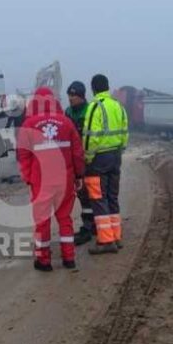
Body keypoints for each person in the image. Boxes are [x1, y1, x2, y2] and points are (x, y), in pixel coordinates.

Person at [17, 87, 85, 271]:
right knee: (64, 218)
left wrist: (28, 178)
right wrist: (79, 175)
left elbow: (23, 157)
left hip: (41, 181)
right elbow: (77, 153)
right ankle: (69, 258)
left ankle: (43, 260)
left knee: (42, 221)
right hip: (65, 179)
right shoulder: (67, 122)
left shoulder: (29, 125)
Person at [83, 74, 129, 255]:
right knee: (112, 197)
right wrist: (120, 150)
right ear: (107, 87)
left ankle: (105, 241)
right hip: (116, 155)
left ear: (93, 88)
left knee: (98, 198)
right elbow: (125, 131)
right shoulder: (118, 106)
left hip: (99, 159)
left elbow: (90, 137)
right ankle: (116, 237)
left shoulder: (95, 107)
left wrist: (87, 157)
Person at [65, 81, 95, 245]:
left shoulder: (90, 111)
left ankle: (90, 226)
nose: (70, 98)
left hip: (89, 159)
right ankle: (90, 224)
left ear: (82, 96)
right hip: (76, 159)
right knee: (83, 194)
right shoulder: (68, 112)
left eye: (73, 95)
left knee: (92, 193)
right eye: (69, 95)